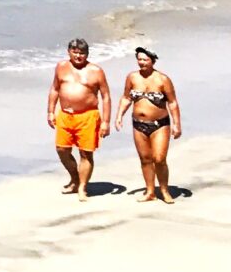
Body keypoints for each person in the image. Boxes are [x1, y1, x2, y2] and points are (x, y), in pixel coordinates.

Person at [47, 38, 112, 195]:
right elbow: (55, 89)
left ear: (87, 54)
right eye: (75, 52)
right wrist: (50, 111)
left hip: (88, 115)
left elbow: (106, 96)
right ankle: (75, 179)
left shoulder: (96, 71)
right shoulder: (61, 67)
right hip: (65, 115)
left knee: (85, 152)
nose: (78, 56)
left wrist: (106, 122)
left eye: (81, 53)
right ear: (69, 52)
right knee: (62, 150)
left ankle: (82, 187)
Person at [121, 47, 183, 204]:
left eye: (145, 60)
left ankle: (164, 190)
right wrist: (119, 116)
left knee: (159, 158)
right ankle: (150, 191)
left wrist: (177, 124)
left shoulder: (163, 79)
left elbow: (172, 102)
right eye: (139, 59)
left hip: (160, 124)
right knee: (145, 159)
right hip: (138, 124)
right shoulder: (132, 77)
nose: (142, 62)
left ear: (153, 61)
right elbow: (126, 98)